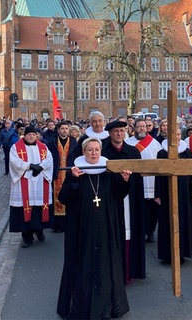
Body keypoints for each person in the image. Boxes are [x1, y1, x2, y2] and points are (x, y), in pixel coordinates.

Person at [57, 137, 132, 319]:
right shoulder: (76, 171)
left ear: (101, 151)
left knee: (105, 265)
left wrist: (124, 181)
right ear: (83, 152)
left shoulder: (108, 170)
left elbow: (118, 195)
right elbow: (64, 198)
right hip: (82, 229)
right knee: (83, 265)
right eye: (90, 150)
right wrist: (73, 181)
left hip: (105, 226)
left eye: (97, 150)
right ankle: (81, 307)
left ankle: (105, 307)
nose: (93, 153)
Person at [101, 120, 146, 283]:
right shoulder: (104, 152)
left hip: (131, 197)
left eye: (122, 130)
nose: (119, 133)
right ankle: (113, 271)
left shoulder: (133, 151)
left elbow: (139, 176)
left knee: (130, 232)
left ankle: (130, 270)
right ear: (110, 133)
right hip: (111, 198)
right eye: (116, 131)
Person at [155, 128, 192, 263]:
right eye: (174, 135)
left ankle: (182, 252)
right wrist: (157, 194)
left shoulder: (187, 152)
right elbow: (158, 174)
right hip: (166, 191)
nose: (177, 137)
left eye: (179, 134)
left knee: (184, 220)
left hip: (185, 192)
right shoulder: (162, 153)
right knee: (167, 222)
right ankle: (168, 254)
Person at [8, 126, 54, 248]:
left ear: (37, 135)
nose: (31, 137)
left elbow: (49, 160)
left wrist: (40, 167)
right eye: (29, 135)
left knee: (39, 210)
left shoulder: (43, 147)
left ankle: (39, 231)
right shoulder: (16, 147)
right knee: (24, 211)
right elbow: (14, 162)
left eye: (33, 134)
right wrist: (30, 166)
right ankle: (27, 237)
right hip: (24, 182)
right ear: (24, 135)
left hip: (39, 183)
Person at [125, 118, 163, 243]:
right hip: (135, 181)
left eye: (144, 126)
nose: (141, 128)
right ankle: (138, 231)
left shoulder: (155, 143)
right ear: (134, 128)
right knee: (137, 208)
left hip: (151, 181)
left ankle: (150, 231)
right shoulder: (128, 143)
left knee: (152, 210)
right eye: (139, 126)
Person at [52, 121, 78, 233]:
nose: (64, 130)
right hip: (57, 174)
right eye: (62, 128)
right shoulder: (52, 142)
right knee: (56, 197)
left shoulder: (73, 142)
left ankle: (69, 223)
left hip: (69, 173)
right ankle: (58, 224)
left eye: (66, 128)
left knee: (69, 196)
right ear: (58, 130)